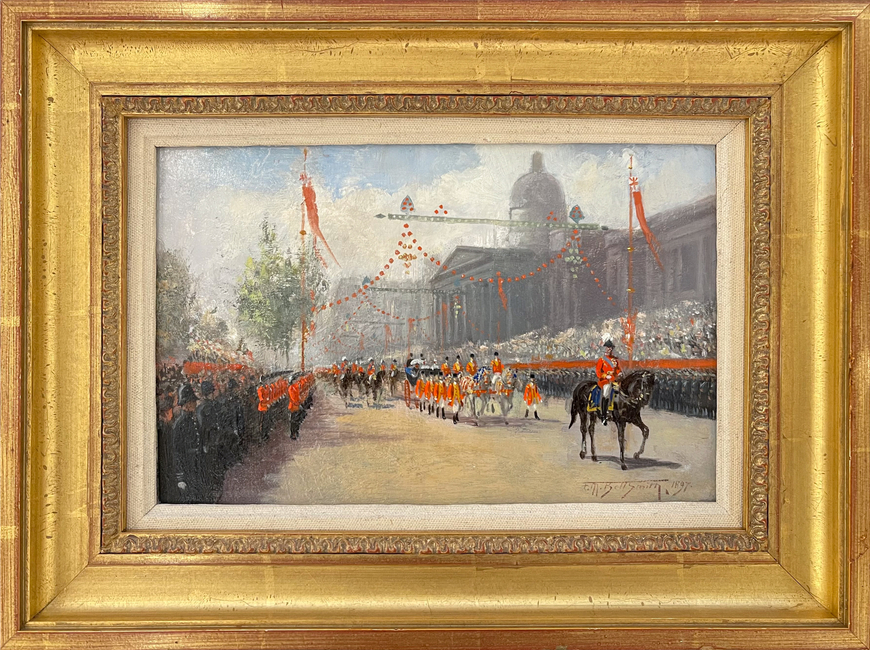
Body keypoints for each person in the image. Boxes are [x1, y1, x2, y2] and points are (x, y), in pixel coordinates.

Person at [170, 383, 203, 503]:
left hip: (196, 464)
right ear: (188, 404)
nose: (195, 404)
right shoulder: (179, 424)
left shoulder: (193, 419)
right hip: (187, 465)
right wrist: (180, 477)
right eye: (193, 401)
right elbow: (177, 451)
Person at [595, 340, 621, 425]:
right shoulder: (602, 360)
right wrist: (606, 376)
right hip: (605, 381)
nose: (609, 349)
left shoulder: (615, 360)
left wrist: (619, 373)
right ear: (605, 348)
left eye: (610, 348)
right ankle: (603, 415)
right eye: (608, 347)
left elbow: (617, 369)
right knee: (606, 393)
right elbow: (598, 372)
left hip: (614, 380)